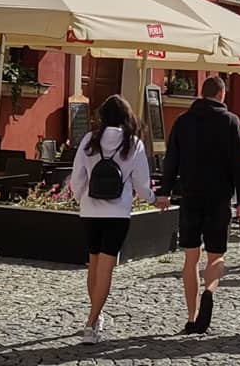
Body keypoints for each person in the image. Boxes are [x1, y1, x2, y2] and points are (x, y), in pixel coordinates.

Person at [68, 95, 161, 344]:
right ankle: (91, 322)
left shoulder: (90, 140)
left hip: (90, 211)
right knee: (106, 268)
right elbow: (142, 185)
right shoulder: (133, 144)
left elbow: (76, 178)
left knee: (94, 265)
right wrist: (154, 199)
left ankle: (94, 317)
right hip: (117, 213)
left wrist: (81, 199)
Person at [159, 74, 240, 335]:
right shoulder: (231, 122)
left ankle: (191, 316)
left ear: (201, 92)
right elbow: (239, 165)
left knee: (190, 258)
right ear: (222, 95)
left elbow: (170, 161)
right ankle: (209, 291)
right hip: (219, 197)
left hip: (190, 196)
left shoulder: (183, 122)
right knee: (217, 255)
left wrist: (164, 192)